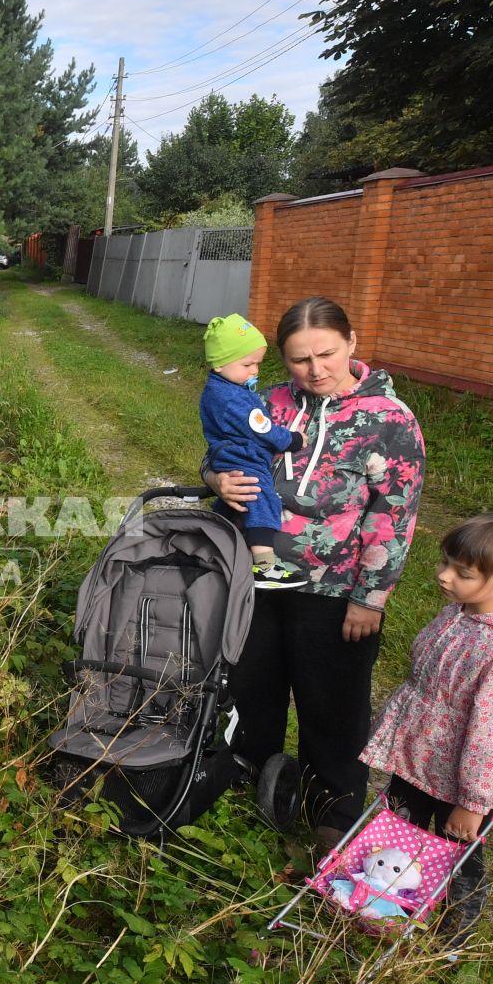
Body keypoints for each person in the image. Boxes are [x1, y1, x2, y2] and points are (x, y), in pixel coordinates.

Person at [205, 297, 426, 847]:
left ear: (351, 343)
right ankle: (252, 782)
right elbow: (224, 448)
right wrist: (213, 479)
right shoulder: (269, 401)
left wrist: (369, 598)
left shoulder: (388, 422)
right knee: (250, 686)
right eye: (299, 360)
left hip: (332, 590)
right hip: (251, 577)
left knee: (333, 701)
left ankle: (334, 807)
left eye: (326, 353)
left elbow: (392, 516)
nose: (315, 370)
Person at [360, 511, 493, 942]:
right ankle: (385, 909)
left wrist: (473, 803)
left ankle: (453, 940)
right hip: (420, 763)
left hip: (463, 783)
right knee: (397, 839)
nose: (444, 576)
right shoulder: (459, 615)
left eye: (463, 572)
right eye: (445, 563)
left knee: (456, 858)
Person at [198, 313, 307, 588]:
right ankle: (265, 564)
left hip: (228, 453)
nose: (255, 371)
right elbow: (264, 430)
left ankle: (209, 543)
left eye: (258, 363)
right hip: (246, 455)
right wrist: (293, 440)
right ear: (221, 364)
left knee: (233, 501)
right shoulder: (232, 398)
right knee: (260, 498)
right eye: (248, 364)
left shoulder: (221, 388)